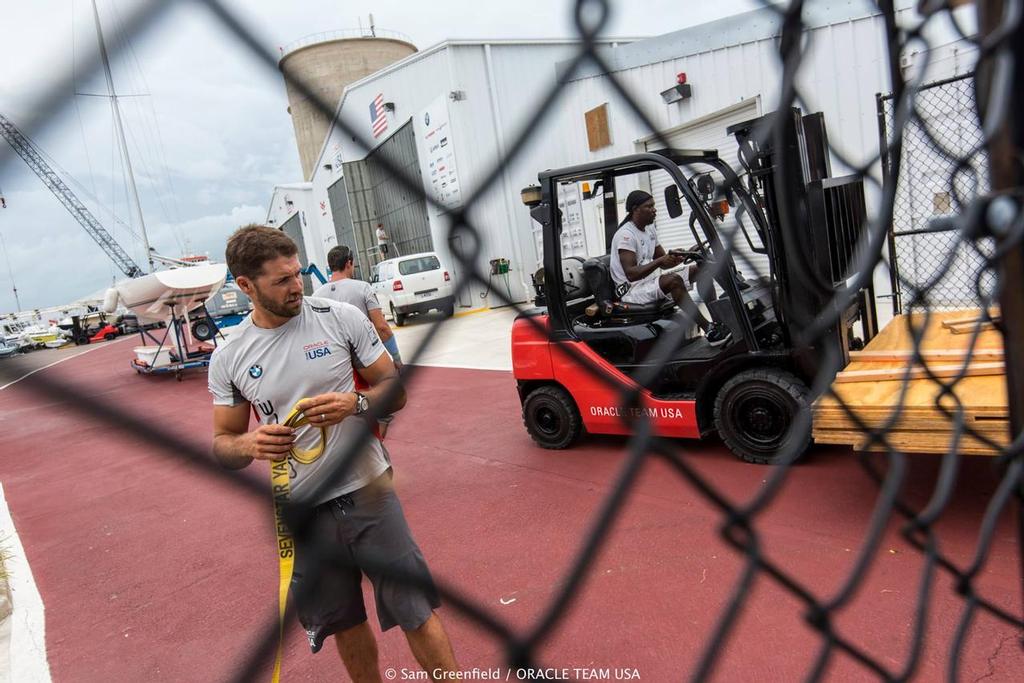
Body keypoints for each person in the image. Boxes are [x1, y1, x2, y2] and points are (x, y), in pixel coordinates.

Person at [209, 225, 457, 682]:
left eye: (297, 273)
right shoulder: (230, 357)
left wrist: (356, 403)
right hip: (304, 508)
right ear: (245, 286)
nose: (296, 285)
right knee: (345, 620)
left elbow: (394, 390)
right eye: (281, 280)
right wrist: (250, 443)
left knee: (415, 609)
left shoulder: (339, 317)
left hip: (368, 490)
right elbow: (223, 444)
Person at [610, 190, 732, 347]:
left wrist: (685, 254)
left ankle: (717, 321)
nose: (654, 209)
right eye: (649, 206)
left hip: (647, 284)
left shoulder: (649, 229)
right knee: (674, 281)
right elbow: (632, 274)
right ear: (635, 209)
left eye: (654, 205)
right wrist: (661, 260)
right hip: (630, 291)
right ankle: (708, 329)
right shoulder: (625, 235)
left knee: (702, 268)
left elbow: (665, 261)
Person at [314, 245, 402, 437]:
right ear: (349, 263)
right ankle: (377, 442)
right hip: (363, 359)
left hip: (333, 362)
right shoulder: (362, 288)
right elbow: (382, 327)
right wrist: (395, 357)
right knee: (383, 402)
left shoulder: (316, 295)